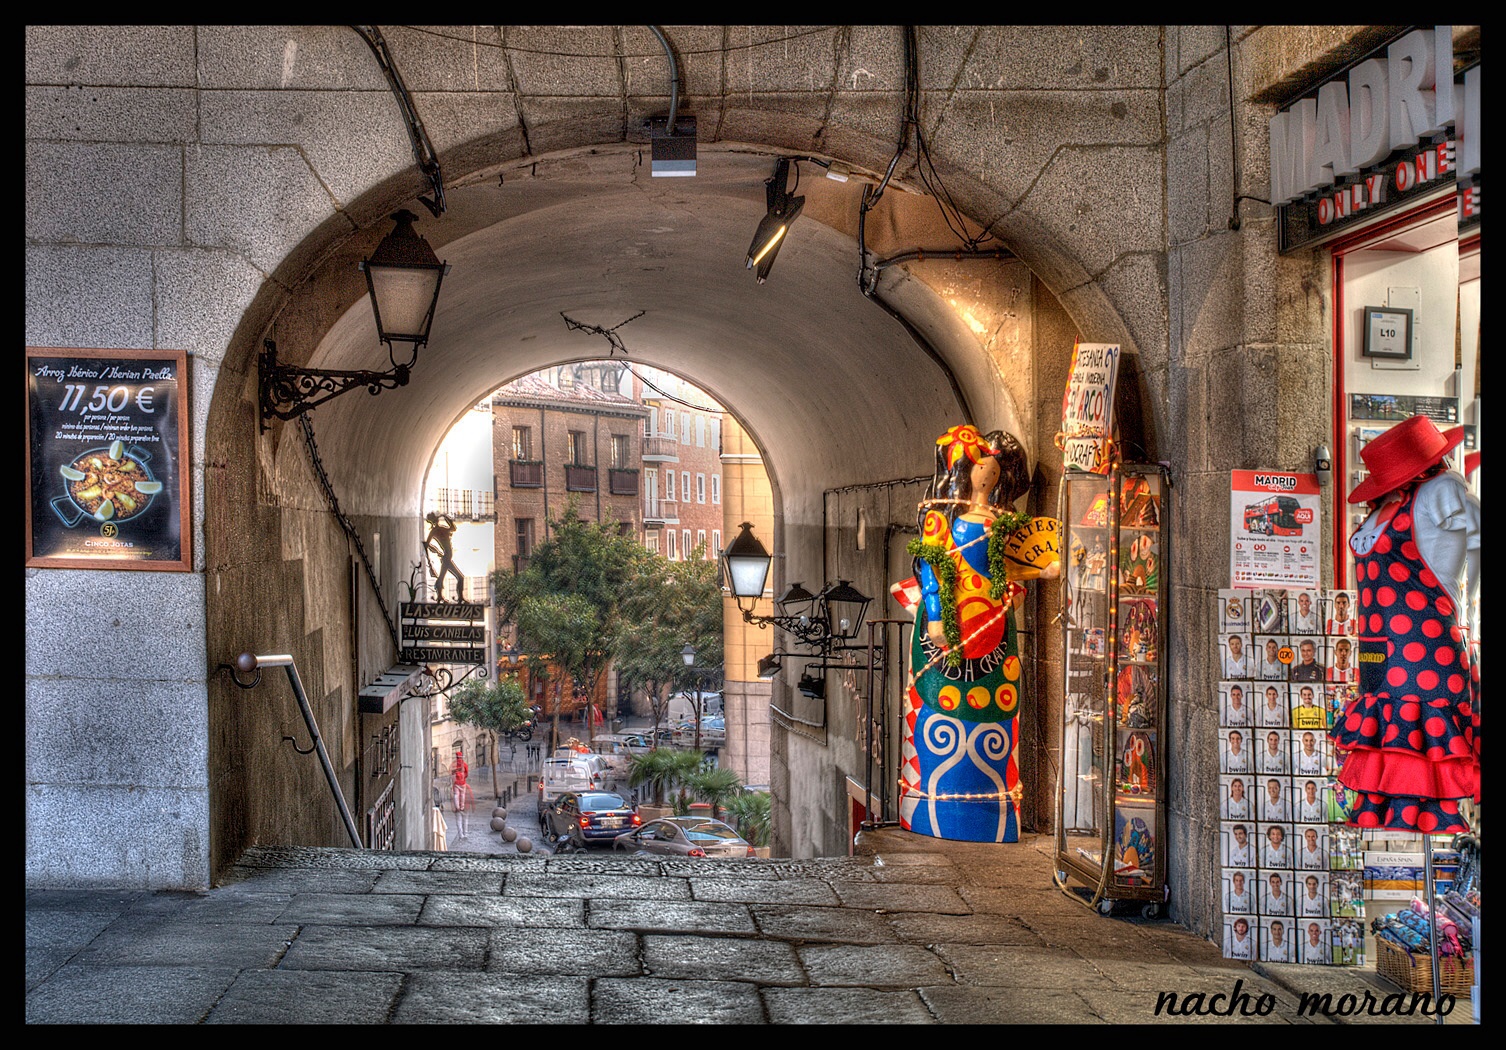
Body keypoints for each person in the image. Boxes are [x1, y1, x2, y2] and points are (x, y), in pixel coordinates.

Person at [1331, 415, 1480, 832]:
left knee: (1424, 760)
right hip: (1379, 655)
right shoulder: (1387, 506)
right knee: (1390, 767)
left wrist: (1469, 604)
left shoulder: (1441, 490)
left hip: (1425, 653)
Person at [902, 424, 1041, 842]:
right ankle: (931, 801)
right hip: (950, 620)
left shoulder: (1002, 518)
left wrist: (1015, 587)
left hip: (995, 623)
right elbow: (931, 564)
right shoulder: (940, 515)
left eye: (995, 466)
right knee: (937, 708)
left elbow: (1014, 564)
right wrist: (936, 614)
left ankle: (995, 808)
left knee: (996, 710)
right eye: (981, 463)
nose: (987, 472)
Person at [424, 511, 465, 603]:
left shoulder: (441, 529)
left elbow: (453, 528)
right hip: (446, 556)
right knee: (459, 577)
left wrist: (446, 517)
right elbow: (427, 544)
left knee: (442, 577)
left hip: (447, 556)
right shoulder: (435, 531)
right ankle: (457, 598)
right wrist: (437, 550)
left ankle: (440, 597)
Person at [450, 748, 471, 839]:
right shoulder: (464, 765)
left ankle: (461, 834)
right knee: (462, 794)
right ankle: (465, 833)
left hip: (456, 785)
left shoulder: (454, 765)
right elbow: (467, 773)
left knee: (456, 795)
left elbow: (451, 773)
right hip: (462, 784)